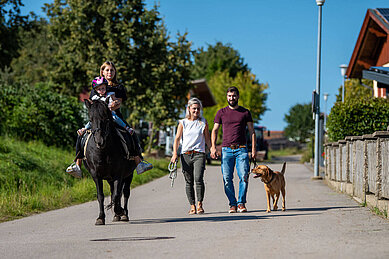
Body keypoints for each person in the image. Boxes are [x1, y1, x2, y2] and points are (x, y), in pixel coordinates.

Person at [66, 61, 152, 178]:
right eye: (107, 70)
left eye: (112, 70)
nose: (110, 72)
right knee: (81, 136)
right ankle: (77, 164)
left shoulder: (118, 88)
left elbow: (118, 103)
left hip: (115, 117)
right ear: (102, 72)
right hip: (99, 119)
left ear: (115, 72)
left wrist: (113, 104)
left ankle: (138, 162)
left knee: (131, 134)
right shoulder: (95, 88)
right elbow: (93, 106)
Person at [210, 86, 256, 213]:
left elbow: (252, 132)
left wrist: (253, 149)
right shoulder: (221, 112)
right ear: (227, 97)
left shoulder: (245, 112)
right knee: (226, 179)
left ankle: (241, 203)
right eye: (229, 96)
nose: (232, 98)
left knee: (244, 177)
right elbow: (214, 130)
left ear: (238, 96)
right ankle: (232, 204)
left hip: (241, 149)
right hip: (226, 150)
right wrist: (213, 147)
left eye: (234, 95)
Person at [171, 98, 211, 214]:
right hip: (185, 155)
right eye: (194, 108)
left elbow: (207, 139)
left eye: (198, 109)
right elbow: (177, 139)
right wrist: (174, 154)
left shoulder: (203, 122)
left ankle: (200, 204)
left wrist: (212, 149)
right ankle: (192, 205)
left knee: (198, 179)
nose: (196, 111)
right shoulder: (183, 123)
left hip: (199, 154)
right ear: (189, 109)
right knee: (189, 181)